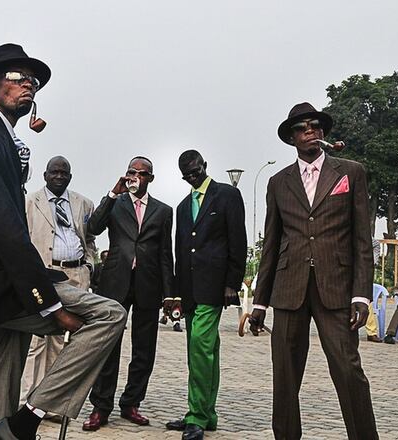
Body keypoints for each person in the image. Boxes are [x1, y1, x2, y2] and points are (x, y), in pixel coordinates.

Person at [0, 43, 126, 440]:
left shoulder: (0, 138)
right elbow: (5, 228)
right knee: (108, 315)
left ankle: (8, 427)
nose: (29, 84)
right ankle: (30, 417)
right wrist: (51, 302)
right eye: (17, 78)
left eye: (34, 80)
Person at [250, 103, 378, 439]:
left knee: (348, 370)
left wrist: (362, 294)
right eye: (304, 128)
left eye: (316, 126)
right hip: (288, 290)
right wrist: (259, 304)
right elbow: (272, 243)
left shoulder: (349, 172)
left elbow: (362, 238)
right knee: (286, 376)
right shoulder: (279, 182)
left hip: (336, 289)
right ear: (292, 138)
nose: (312, 132)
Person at [83, 156, 174, 431]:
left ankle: (131, 403)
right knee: (108, 345)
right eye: (131, 172)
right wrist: (113, 193)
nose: (135, 176)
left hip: (148, 284)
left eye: (141, 173)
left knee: (144, 348)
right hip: (115, 282)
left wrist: (170, 294)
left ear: (151, 178)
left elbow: (165, 254)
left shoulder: (163, 210)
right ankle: (101, 407)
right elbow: (93, 227)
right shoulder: (116, 203)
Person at [163, 150, 246, 439]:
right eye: (187, 174)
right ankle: (206, 414)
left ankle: (196, 415)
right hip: (188, 290)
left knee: (201, 346)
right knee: (200, 352)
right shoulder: (183, 206)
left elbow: (238, 240)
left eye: (196, 170)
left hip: (214, 288)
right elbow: (180, 251)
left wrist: (232, 283)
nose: (192, 176)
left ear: (205, 166)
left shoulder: (227, 196)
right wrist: (174, 294)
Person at [21, 156, 98, 414]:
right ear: (45, 175)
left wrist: (88, 265)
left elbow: (89, 239)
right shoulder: (30, 202)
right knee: (37, 339)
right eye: (54, 172)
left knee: (61, 339)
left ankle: (49, 404)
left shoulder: (84, 203)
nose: (59, 177)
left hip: (75, 274)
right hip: (44, 274)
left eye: (64, 173)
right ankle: (27, 400)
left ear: (70, 176)